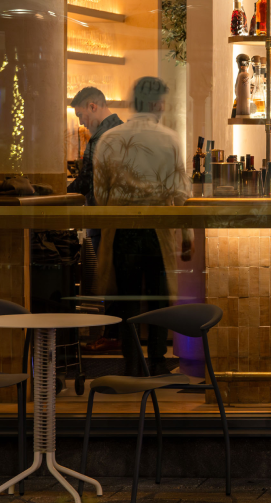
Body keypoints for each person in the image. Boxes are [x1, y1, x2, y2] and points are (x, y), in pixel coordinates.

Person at [93, 76, 193, 375]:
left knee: (127, 299)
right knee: (159, 299)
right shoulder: (169, 138)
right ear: (158, 103)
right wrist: (186, 235)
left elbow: (100, 194)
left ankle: (132, 362)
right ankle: (158, 361)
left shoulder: (109, 138)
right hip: (157, 230)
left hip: (121, 229)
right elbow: (180, 194)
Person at [68, 87, 125, 351]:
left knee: (109, 281)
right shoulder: (125, 131)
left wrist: (61, 190)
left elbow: (86, 182)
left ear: (93, 107)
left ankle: (113, 337)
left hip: (103, 217)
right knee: (122, 281)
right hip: (124, 219)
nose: (81, 122)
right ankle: (121, 337)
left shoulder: (99, 139)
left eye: (81, 115)